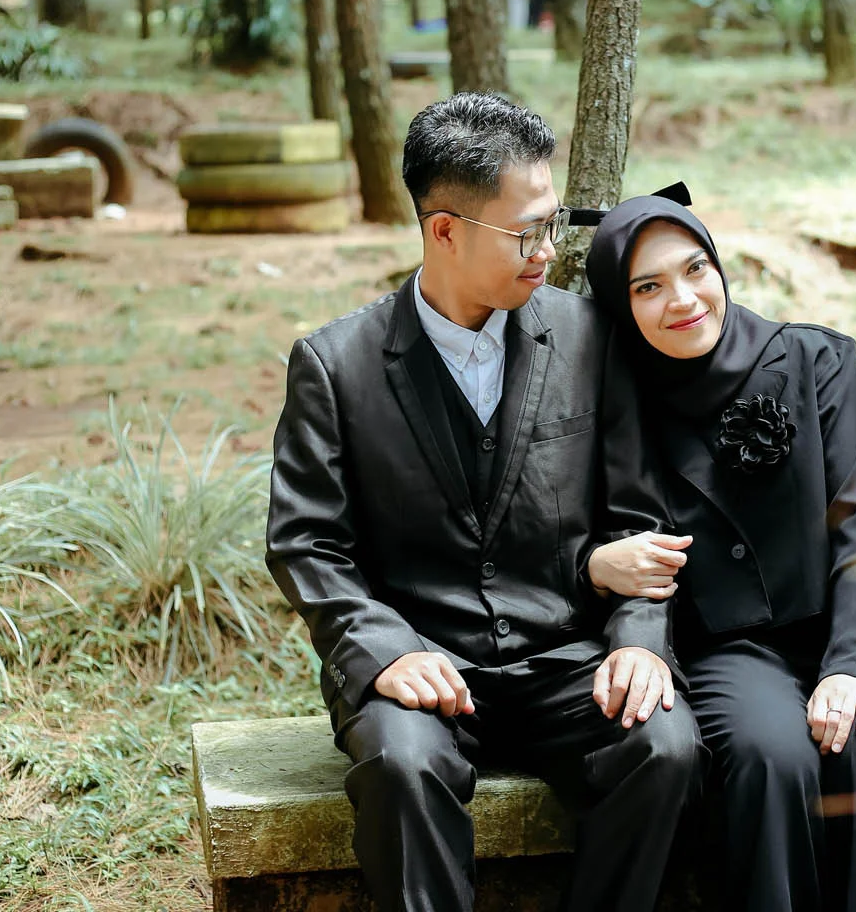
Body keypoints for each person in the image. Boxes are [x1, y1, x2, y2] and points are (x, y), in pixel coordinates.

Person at [266, 96, 702, 912]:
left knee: (666, 746)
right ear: (444, 230)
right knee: (401, 767)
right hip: (420, 662)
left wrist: (641, 642)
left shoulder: (592, 336)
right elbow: (306, 542)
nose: (548, 250)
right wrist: (384, 651)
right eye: (526, 232)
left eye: (552, 223)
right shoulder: (334, 364)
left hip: (567, 657)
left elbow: (638, 519)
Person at [583, 187, 856, 912]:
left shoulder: (818, 358)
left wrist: (851, 664)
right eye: (648, 287)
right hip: (727, 648)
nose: (683, 300)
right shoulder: (615, 402)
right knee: (770, 758)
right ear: (620, 306)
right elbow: (616, 531)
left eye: (695, 269)